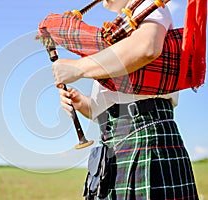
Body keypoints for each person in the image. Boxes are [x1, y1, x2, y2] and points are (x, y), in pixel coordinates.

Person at [51, 0, 199, 199]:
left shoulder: (148, 6)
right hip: (113, 148)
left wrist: (78, 68)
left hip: (146, 136)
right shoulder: (119, 32)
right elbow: (110, 108)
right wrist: (83, 104)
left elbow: (146, 48)